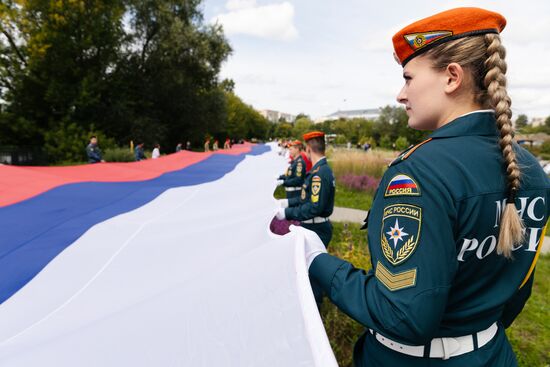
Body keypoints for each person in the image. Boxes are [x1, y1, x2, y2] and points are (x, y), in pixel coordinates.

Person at [298, 8, 550, 367]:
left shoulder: (420, 171)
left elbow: (403, 316)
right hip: (492, 354)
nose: (401, 94)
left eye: (408, 77)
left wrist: (318, 262)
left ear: (451, 77)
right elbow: (516, 292)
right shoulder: (531, 170)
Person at [276, 131, 335, 306]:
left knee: (312, 273)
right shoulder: (320, 170)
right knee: (307, 270)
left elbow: (313, 207)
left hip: (316, 228)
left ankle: (314, 310)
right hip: (313, 226)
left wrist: (287, 214)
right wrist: (286, 203)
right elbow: (305, 199)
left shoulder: (319, 173)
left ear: (308, 149)